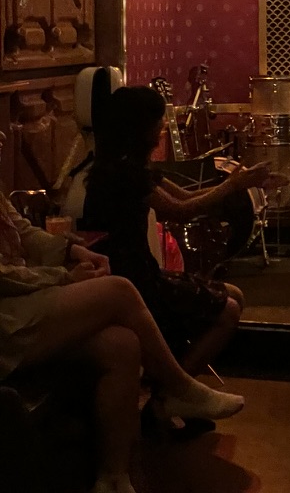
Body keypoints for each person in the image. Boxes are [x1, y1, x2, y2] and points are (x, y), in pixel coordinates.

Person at [0, 131, 246, 493]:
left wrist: (71, 251)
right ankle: (179, 387)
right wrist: (63, 277)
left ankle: (113, 477)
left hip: (21, 304)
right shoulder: (121, 172)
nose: (2, 136)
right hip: (5, 319)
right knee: (119, 290)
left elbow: (23, 232)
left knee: (122, 344)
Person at [82, 86, 271, 382]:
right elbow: (179, 211)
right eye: (158, 122)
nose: (162, 128)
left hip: (141, 271)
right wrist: (233, 185)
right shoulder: (122, 173)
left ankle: (173, 375)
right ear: (140, 127)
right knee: (229, 310)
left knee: (234, 294)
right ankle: (174, 387)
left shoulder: (129, 166)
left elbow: (186, 196)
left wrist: (241, 184)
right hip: (132, 278)